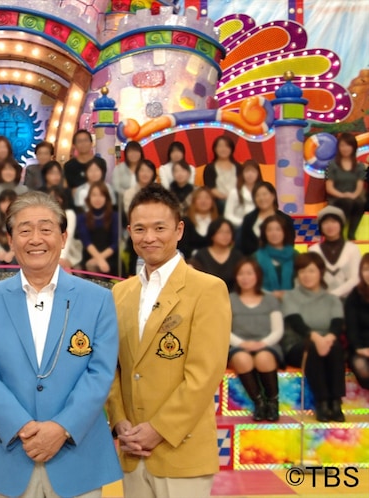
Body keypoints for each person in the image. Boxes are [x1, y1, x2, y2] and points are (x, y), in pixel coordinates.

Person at [0, 191, 121, 497]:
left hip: (78, 456)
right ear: (10, 241)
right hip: (9, 454)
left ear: (63, 238)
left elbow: (100, 373)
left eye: (46, 229)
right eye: (24, 230)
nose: (35, 239)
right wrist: (21, 426)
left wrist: (62, 427)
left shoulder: (99, 300)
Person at [108, 183, 231, 498]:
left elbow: (205, 374)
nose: (149, 237)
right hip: (132, 450)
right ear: (130, 232)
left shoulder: (208, 289)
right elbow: (111, 366)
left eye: (159, 228)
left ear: (179, 230)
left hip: (182, 451)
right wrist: (120, 421)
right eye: (140, 229)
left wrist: (158, 429)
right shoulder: (120, 293)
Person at [281, 252, 346, 422]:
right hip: (297, 345)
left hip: (326, 343)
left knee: (336, 348)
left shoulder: (332, 299)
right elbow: (296, 323)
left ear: (320, 272)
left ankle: (336, 402)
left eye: (311, 271)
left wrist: (329, 338)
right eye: (302, 271)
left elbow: (337, 324)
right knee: (314, 349)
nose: (306, 275)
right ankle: (322, 402)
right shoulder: (290, 296)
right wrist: (317, 339)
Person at [228, 258, 283, 422]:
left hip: (267, 344)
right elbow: (224, 329)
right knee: (242, 359)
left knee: (263, 358)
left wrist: (263, 344)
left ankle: (273, 402)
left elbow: (278, 330)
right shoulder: (229, 299)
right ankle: (259, 403)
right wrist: (242, 344)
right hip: (238, 346)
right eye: (241, 274)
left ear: (257, 276)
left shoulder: (270, 299)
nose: (245, 278)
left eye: (249, 273)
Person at [308, 206, 361, 298]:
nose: (330, 226)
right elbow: (311, 277)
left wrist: (334, 295)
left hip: (349, 300)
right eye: (325, 222)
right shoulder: (313, 250)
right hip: (321, 299)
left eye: (334, 221)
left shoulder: (352, 248)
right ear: (320, 226)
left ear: (341, 224)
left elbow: (356, 278)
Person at [326, 133, 366, 240]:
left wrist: (354, 195)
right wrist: (343, 195)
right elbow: (329, 188)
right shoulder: (332, 165)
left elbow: (360, 185)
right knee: (348, 202)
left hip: (353, 197)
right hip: (336, 198)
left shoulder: (359, 166)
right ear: (338, 147)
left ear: (353, 147)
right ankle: (339, 234)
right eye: (342, 145)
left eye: (348, 145)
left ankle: (351, 234)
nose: (345, 148)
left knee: (360, 203)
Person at [238, 182, 295, 256]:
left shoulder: (286, 219)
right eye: (257, 195)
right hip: (254, 260)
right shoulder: (248, 219)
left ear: (273, 196)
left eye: (264, 194)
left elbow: (290, 244)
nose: (261, 198)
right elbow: (244, 246)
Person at [77, 182, 120, 276]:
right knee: (90, 265)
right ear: (89, 198)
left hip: (110, 256)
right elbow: (87, 242)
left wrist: (101, 259)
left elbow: (115, 244)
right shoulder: (82, 218)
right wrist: (99, 259)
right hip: (90, 255)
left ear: (106, 198)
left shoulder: (115, 216)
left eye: (101, 195)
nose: (97, 199)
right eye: (94, 195)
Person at [189, 218, 243, 291]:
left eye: (228, 232)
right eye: (221, 232)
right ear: (212, 234)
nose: (225, 235)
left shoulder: (238, 256)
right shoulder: (201, 255)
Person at [255, 215, 298, 298]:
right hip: (264, 300)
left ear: (285, 232)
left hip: (293, 300)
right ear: (264, 233)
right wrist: (270, 295)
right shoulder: (256, 257)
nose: (274, 233)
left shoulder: (296, 256)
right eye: (269, 230)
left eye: (278, 229)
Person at [346, 253, 369, 390]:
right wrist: (360, 348)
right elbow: (352, 327)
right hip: (361, 347)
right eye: (366, 269)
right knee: (362, 368)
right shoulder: (355, 295)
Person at [47, 186, 83, 269]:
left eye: (58, 197)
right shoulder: (44, 215)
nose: (55, 200)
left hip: (68, 252)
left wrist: (61, 257)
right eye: (52, 197)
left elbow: (68, 236)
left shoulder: (69, 214)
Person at [203, 136, 240, 214]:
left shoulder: (238, 167)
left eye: (226, 146)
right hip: (220, 201)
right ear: (215, 149)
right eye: (220, 146)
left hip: (238, 199)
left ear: (231, 149)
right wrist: (227, 198)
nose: (223, 149)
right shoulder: (210, 168)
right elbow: (210, 189)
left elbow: (242, 185)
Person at [178, 187, 218, 259]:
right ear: (194, 201)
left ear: (212, 202)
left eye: (207, 198)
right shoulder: (186, 222)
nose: (203, 201)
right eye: (199, 198)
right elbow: (183, 247)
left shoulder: (218, 222)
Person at [224, 159, 262, 228]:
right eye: (247, 171)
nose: (250, 174)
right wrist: (244, 223)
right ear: (242, 173)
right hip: (240, 226)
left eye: (253, 171)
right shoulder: (234, 192)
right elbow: (228, 215)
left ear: (258, 174)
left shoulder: (263, 192)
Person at [111, 141, 143, 210]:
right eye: (130, 152)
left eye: (136, 151)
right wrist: (129, 195)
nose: (133, 154)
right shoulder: (119, 169)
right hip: (124, 204)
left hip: (144, 202)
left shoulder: (145, 167)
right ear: (126, 154)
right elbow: (116, 187)